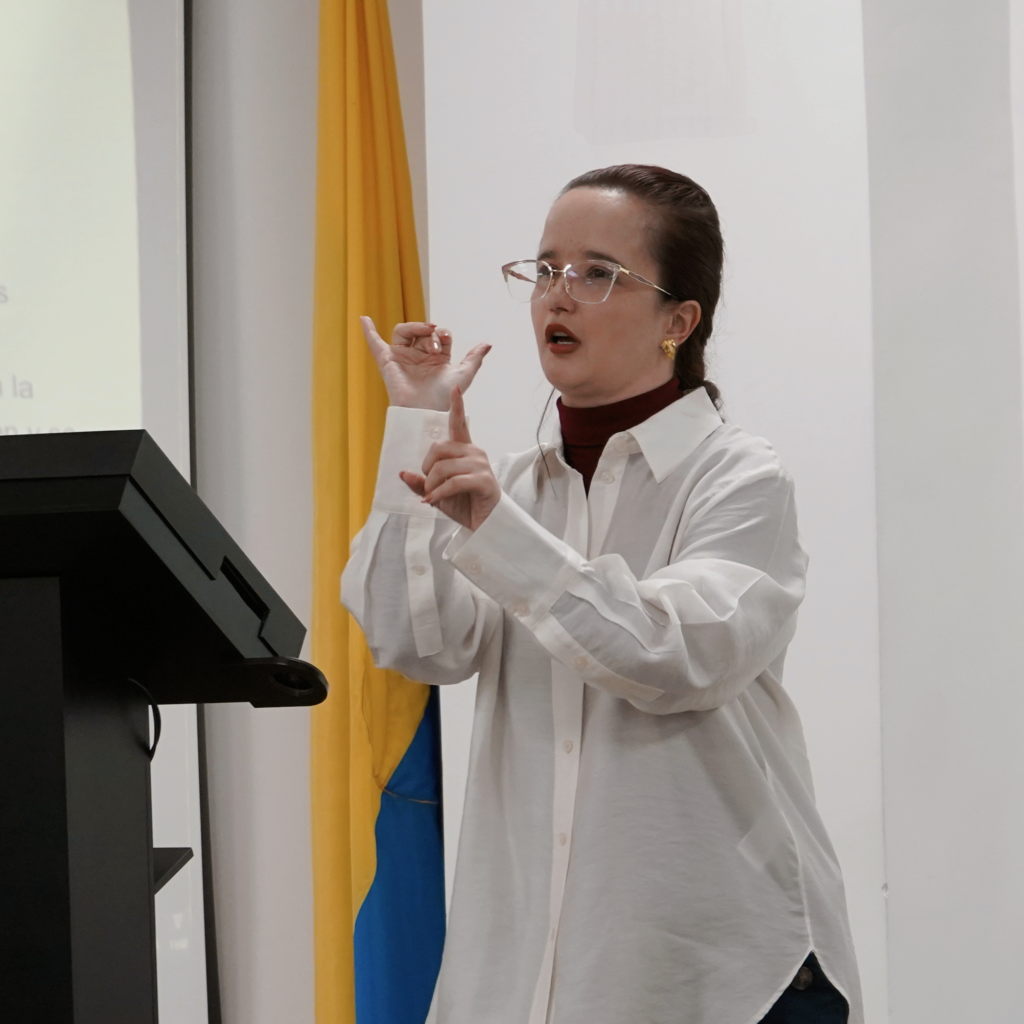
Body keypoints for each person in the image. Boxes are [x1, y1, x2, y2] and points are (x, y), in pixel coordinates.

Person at [342, 164, 861, 1024]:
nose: (558, 295)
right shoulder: (512, 489)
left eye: (597, 273)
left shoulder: (739, 478)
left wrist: (499, 531)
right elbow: (415, 645)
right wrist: (419, 425)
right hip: (537, 973)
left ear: (678, 321)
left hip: (724, 974)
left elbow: (671, 654)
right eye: (545, 270)